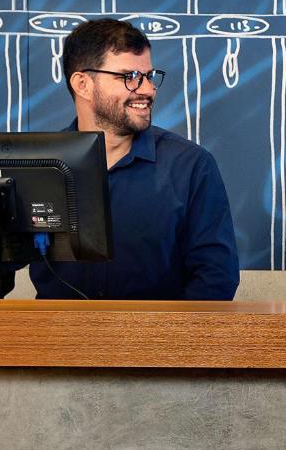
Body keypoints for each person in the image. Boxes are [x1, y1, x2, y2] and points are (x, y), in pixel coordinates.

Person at [28, 18, 240, 300]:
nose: (147, 90)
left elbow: (216, 278)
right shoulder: (39, 166)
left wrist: (166, 341)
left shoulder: (190, 166)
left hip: (157, 341)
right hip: (58, 340)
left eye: (149, 77)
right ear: (83, 84)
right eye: (129, 77)